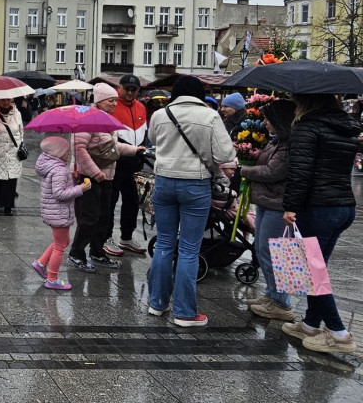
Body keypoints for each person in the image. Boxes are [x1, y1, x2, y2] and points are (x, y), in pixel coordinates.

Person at [146, 76, 236, 327]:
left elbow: (153, 140)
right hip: (195, 184)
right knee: (188, 249)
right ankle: (185, 313)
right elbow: (225, 154)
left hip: (163, 181)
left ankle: (157, 303)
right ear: (199, 94)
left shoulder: (160, 115)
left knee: (164, 243)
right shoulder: (210, 116)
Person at [280, 93, 358, 353]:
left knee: (313, 273)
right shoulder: (346, 127)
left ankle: (339, 334)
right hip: (343, 207)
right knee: (317, 267)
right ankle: (311, 323)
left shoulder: (307, 127)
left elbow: (300, 172)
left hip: (318, 208)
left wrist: (290, 206)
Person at [69, 83, 143, 272]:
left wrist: (135, 150)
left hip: (107, 177)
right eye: (110, 101)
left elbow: (112, 148)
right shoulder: (87, 120)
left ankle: (97, 252)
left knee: (104, 217)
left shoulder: (108, 120)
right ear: (100, 101)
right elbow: (78, 149)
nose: (114, 104)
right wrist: (94, 172)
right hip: (88, 177)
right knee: (89, 218)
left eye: (115, 101)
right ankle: (76, 253)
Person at [239, 99, 296, 322]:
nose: (264, 123)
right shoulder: (276, 141)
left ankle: (281, 303)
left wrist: (244, 170)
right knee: (262, 249)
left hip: (277, 205)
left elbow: (273, 172)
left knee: (275, 253)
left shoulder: (288, 145)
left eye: (267, 119)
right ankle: (272, 295)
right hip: (266, 202)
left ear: (279, 120)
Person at [32, 136, 92, 290]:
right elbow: (59, 193)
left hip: (54, 211)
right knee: (60, 246)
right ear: (58, 153)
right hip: (58, 213)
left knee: (64, 241)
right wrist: (80, 189)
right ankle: (52, 279)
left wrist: (71, 178)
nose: (68, 154)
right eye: (66, 152)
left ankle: (41, 264)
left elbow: (59, 185)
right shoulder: (59, 169)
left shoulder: (53, 166)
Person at [109, 74, 148, 255]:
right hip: (115, 162)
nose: (130, 92)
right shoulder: (112, 105)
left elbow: (144, 132)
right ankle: (105, 237)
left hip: (135, 163)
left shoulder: (141, 107)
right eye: (127, 89)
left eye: (134, 90)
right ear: (120, 87)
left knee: (132, 202)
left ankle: (126, 237)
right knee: (109, 202)